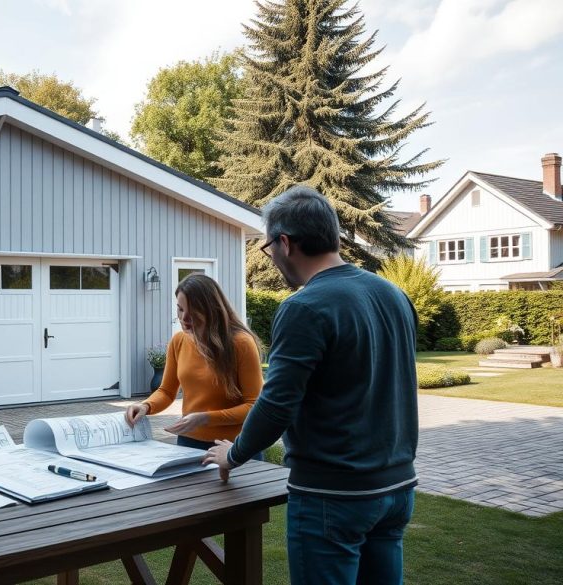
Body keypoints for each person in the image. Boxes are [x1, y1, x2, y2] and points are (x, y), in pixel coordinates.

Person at [202, 185, 419, 585]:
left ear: (285, 243)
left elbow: (276, 404)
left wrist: (234, 455)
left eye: (268, 247)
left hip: (333, 496)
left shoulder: (304, 306)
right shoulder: (394, 294)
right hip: (398, 488)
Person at [125, 274, 263, 456]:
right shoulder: (179, 341)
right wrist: (145, 406)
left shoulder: (241, 343)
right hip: (188, 444)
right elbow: (166, 391)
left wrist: (205, 418)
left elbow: (254, 406)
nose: (184, 318)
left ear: (211, 309)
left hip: (234, 447)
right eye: (180, 309)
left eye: (193, 311)